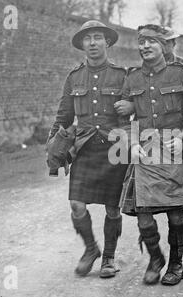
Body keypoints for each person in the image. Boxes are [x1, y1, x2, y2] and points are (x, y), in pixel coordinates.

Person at [117, 24, 183, 286]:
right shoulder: (132, 78)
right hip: (144, 151)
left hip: (174, 151)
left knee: (176, 214)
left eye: (151, 42)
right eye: (141, 42)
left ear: (163, 45)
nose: (145, 47)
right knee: (143, 215)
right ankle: (156, 258)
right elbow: (121, 117)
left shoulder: (181, 73)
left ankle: (176, 263)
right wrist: (130, 143)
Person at [47, 20, 129, 279]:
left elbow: (132, 112)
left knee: (113, 208)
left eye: (98, 37)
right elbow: (63, 117)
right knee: (77, 205)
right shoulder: (74, 77)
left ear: (107, 42)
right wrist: (52, 146)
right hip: (83, 148)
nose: (93, 43)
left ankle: (109, 258)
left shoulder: (122, 75)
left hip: (115, 148)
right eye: (88, 39)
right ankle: (91, 249)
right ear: (82, 44)